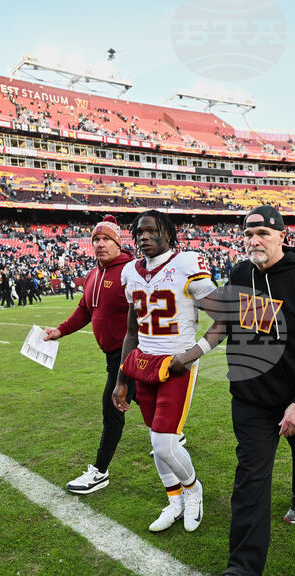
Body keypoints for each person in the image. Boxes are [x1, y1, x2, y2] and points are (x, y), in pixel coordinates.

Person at [192, 204, 295, 576]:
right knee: (251, 475)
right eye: (248, 234)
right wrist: (190, 352)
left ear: (281, 237)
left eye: (263, 233)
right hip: (252, 398)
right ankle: (244, 568)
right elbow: (227, 322)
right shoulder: (241, 274)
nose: (254, 240)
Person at [112, 210, 217, 534]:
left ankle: (193, 490)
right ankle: (175, 500)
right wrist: (121, 380)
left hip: (176, 365)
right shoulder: (130, 272)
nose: (144, 237)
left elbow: (225, 318)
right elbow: (132, 332)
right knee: (156, 438)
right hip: (144, 366)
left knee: (164, 444)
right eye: (139, 232)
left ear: (168, 234)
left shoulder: (186, 263)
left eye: (152, 231)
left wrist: (191, 355)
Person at [44, 215, 136, 494]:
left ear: (118, 243)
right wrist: (60, 330)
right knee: (145, 399)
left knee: (112, 408)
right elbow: (85, 309)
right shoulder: (93, 274)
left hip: (131, 354)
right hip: (111, 355)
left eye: (106, 238)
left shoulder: (131, 271)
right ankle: (173, 435)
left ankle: (100, 471)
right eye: (96, 239)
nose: (100, 244)